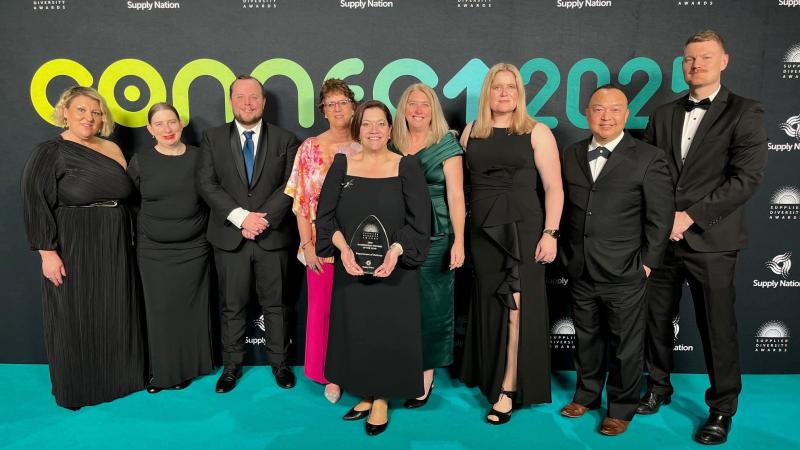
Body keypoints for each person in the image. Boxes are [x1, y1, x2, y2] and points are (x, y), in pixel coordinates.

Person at [638, 30, 768, 445]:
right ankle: (658, 387)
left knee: (717, 327)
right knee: (655, 320)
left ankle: (721, 408)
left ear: (724, 61)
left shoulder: (745, 112)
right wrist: (664, 220)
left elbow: (745, 180)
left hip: (712, 239)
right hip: (663, 238)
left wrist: (690, 216)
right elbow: (652, 174)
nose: (696, 65)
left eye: (705, 58)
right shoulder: (662, 114)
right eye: (690, 59)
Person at [21, 86, 146, 409]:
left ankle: (122, 380)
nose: (89, 117)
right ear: (65, 111)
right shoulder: (51, 151)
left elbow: (131, 194)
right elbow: (36, 202)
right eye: (81, 110)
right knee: (75, 313)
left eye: (95, 112)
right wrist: (47, 253)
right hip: (75, 240)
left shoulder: (112, 148)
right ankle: (79, 388)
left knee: (116, 307)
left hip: (116, 240)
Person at [558, 85, 673, 436]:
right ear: (586, 113)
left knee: (626, 345)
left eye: (613, 110)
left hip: (626, 269)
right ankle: (587, 394)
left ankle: (621, 407)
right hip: (581, 267)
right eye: (597, 109)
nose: (605, 116)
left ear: (626, 114)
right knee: (587, 338)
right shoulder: (571, 153)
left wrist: (648, 263)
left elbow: (660, 217)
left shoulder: (648, 157)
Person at [315, 100, 431, 436]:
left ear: (390, 129)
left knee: (388, 330)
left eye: (381, 124)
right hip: (351, 268)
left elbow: (420, 222)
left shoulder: (405, 166)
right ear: (358, 129)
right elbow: (325, 217)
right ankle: (365, 393)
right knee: (359, 330)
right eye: (367, 124)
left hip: (394, 271)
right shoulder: (342, 164)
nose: (374, 130)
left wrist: (395, 251)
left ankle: (382, 399)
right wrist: (343, 249)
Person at [459, 63, 563, 424]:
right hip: (484, 232)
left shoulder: (537, 132)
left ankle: (508, 387)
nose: (504, 93)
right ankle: (491, 375)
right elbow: (461, 188)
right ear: (487, 92)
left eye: (511, 87)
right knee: (491, 304)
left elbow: (553, 188)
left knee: (517, 307)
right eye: (497, 87)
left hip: (523, 230)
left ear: (520, 94)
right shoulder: (471, 132)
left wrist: (550, 233)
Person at [196, 75, 301, 393]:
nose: (247, 102)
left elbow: (290, 185)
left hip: (272, 237)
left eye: (254, 97)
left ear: (264, 102)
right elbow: (206, 183)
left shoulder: (286, 139)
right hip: (230, 237)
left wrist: (262, 220)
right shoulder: (212, 139)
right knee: (232, 305)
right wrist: (242, 217)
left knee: (277, 305)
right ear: (231, 101)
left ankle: (280, 364)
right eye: (241, 97)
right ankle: (231, 367)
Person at [127, 103, 213, 394]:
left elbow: (213, 198)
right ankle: (163, 372)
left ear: (181, 125)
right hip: (154, 252)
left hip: (194, 249)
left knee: (190, 310)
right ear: (150, 130)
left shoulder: (200, 158)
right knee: (161, 311)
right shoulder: (141, 161)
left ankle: (189, 367)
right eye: (159, 124)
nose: (167, 129)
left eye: (171, 122)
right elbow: (132, 200)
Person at [285, 79, 360, 403]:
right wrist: (307, 246)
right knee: (323, 310)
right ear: (323, 110)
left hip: (360, 245)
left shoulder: (368, 144)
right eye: (331, 104)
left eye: (343, 101)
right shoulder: (309, 148)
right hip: (320, 245)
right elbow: (301, 202)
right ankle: (329, 375)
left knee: (358, 311)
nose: (337, 108)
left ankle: (358, 369)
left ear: (353, 106)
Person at [391, 83, 465, 408]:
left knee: (432, 306)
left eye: (424, 104)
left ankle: (425, 374)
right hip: (398, 233)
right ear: (403, 109)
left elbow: (457, 195)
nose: (418, 110)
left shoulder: (445, 144)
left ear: (433, 110)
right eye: (412, 104)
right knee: (398, 304)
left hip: (437, 234)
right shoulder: (392, 143)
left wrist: (459, 240)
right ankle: (399, 365)